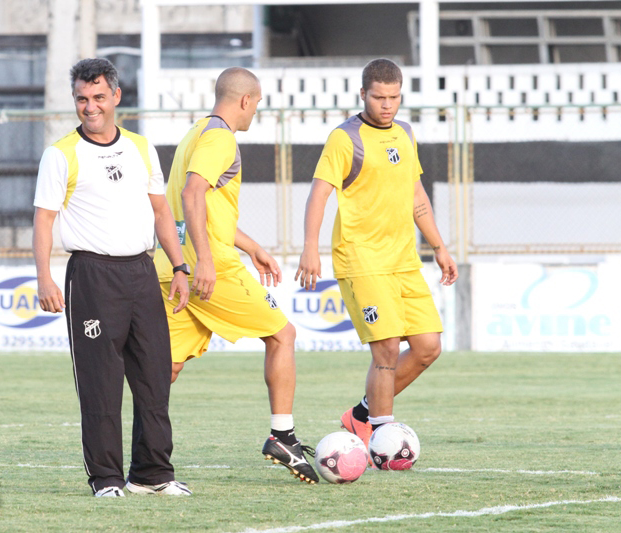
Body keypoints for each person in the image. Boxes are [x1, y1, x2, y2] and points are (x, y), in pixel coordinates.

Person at [32, 58, 192, 497]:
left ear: (116, 96)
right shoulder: (61, 154)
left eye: (99, 97)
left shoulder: (141, 147)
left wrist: (180, 267)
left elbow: (161, 211)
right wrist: (44, 278)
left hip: (141, 271)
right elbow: (44, 219)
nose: (90, 107)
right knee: (101, 384)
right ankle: (105, 479)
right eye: (82, 98)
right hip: (92, 276)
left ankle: (152, 475)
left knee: (154, 378)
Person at [153, 67, 319, 484]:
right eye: (257, 103)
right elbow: (193, 194)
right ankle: (283, 436)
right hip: (209, 270)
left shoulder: (196, 132)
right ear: (245, 100)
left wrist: (253, 246)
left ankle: (146, 460)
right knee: (282, 335)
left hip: (173, 266)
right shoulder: (221, 138)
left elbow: (204, 207)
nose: (255, 110)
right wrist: (207, 261)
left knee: (166, 368)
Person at [295, 58, 458, 460]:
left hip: (403, 259)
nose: (387, 105)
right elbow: (319, 193)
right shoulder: (344, 138)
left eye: (394, 97)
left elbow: (416, 195)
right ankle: (382, 438)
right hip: (362, 258)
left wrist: (439, 246)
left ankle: (361, 414)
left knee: (428, 346)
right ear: (363, 94)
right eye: (379, 97)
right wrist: (310, 246)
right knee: (385, 349)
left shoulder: (405, 133)